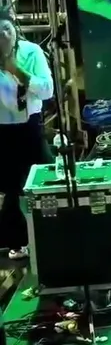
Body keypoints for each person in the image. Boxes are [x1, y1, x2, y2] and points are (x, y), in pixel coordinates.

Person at [0, 18, 55, 260]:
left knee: (45, 178)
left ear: (15, 30)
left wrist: (18, 72)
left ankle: (54, 233)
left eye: (7, 29)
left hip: (29, 125)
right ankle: (17, 241)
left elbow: (47, 90)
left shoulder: (32, 52)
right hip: (2, 128)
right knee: (9, 188)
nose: (4, 35)